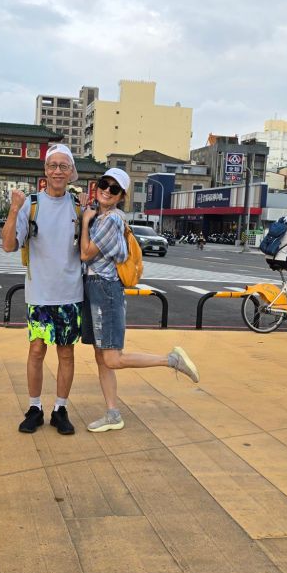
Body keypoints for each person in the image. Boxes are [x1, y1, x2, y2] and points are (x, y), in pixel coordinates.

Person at [80, 168, 200, 433]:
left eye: (114, 189)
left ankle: (171, 360)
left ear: (122, 196)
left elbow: (86, 254)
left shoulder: (111, 220)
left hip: (105, 289)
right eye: (104, 184)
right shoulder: (101, 216)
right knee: (101, 356)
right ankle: (113, 414)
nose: (107, 191)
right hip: (93, 287)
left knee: (112, 358)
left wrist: (85, 221)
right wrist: (87, 213)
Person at [2, 143, 84, 435]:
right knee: (36, 350)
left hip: (71, 293)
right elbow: (8, 245)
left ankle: (60, 409)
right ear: (45, 170)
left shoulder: (79, 206)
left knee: (66, 353)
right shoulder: (31, 204)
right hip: (39, 294)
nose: (58, 171)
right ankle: (34, 408)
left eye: (64, 166)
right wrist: (14, 209)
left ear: (71, 171)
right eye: (53, 165)